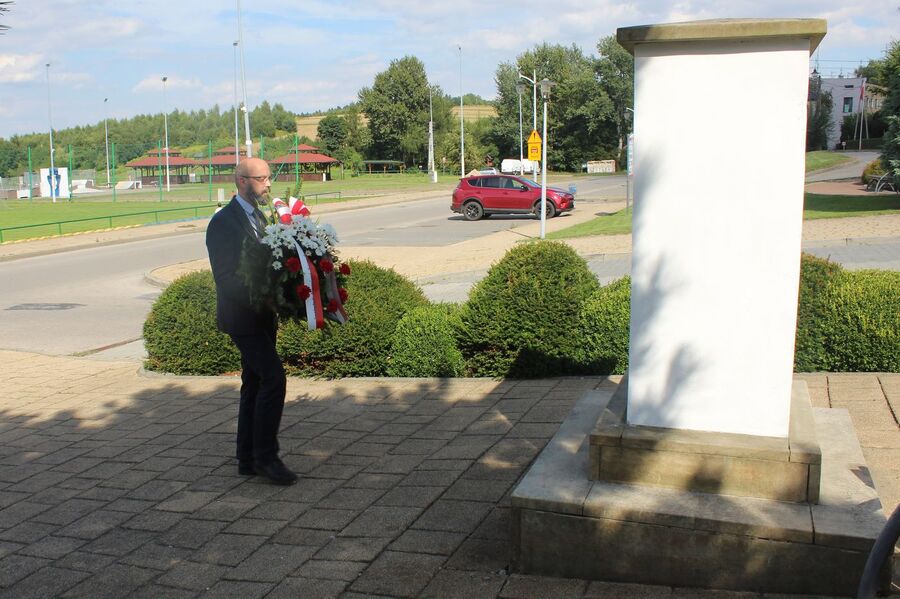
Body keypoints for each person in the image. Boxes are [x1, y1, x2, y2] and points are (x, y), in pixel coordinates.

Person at [205, 157, 297, 486]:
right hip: (242, 317)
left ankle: (246, 457)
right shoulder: (223, 224)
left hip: (263, 316)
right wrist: (265, 296)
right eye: (262, 179)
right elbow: (226, 279)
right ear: (242, 181)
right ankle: (266, 458)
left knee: (254, 383)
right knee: (274, 378)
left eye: (270, 178)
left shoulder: (260, 215)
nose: (269, 184)